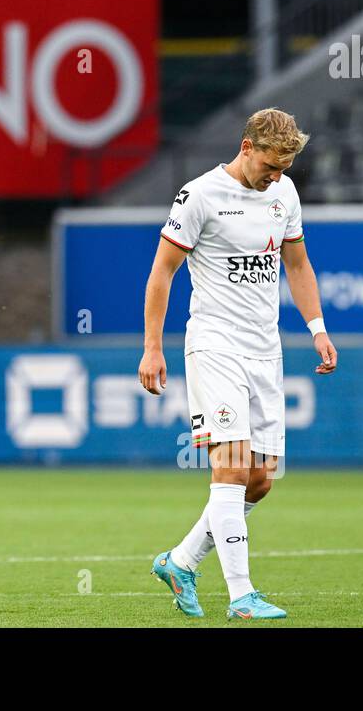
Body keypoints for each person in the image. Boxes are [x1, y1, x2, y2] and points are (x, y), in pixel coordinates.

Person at [139, 108, 337, 620]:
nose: (276, 176)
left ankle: (180, 561)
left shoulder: (284, 194)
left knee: (261, 478)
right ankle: (241, 595)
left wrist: (317, 330)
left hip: (265, 350)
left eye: (285, 169)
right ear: (247, 147)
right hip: (214, 345)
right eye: (270, 165)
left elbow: (297, 264)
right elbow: (162, 272)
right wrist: (153, 347)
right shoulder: (199, 195)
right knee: (229, 466)